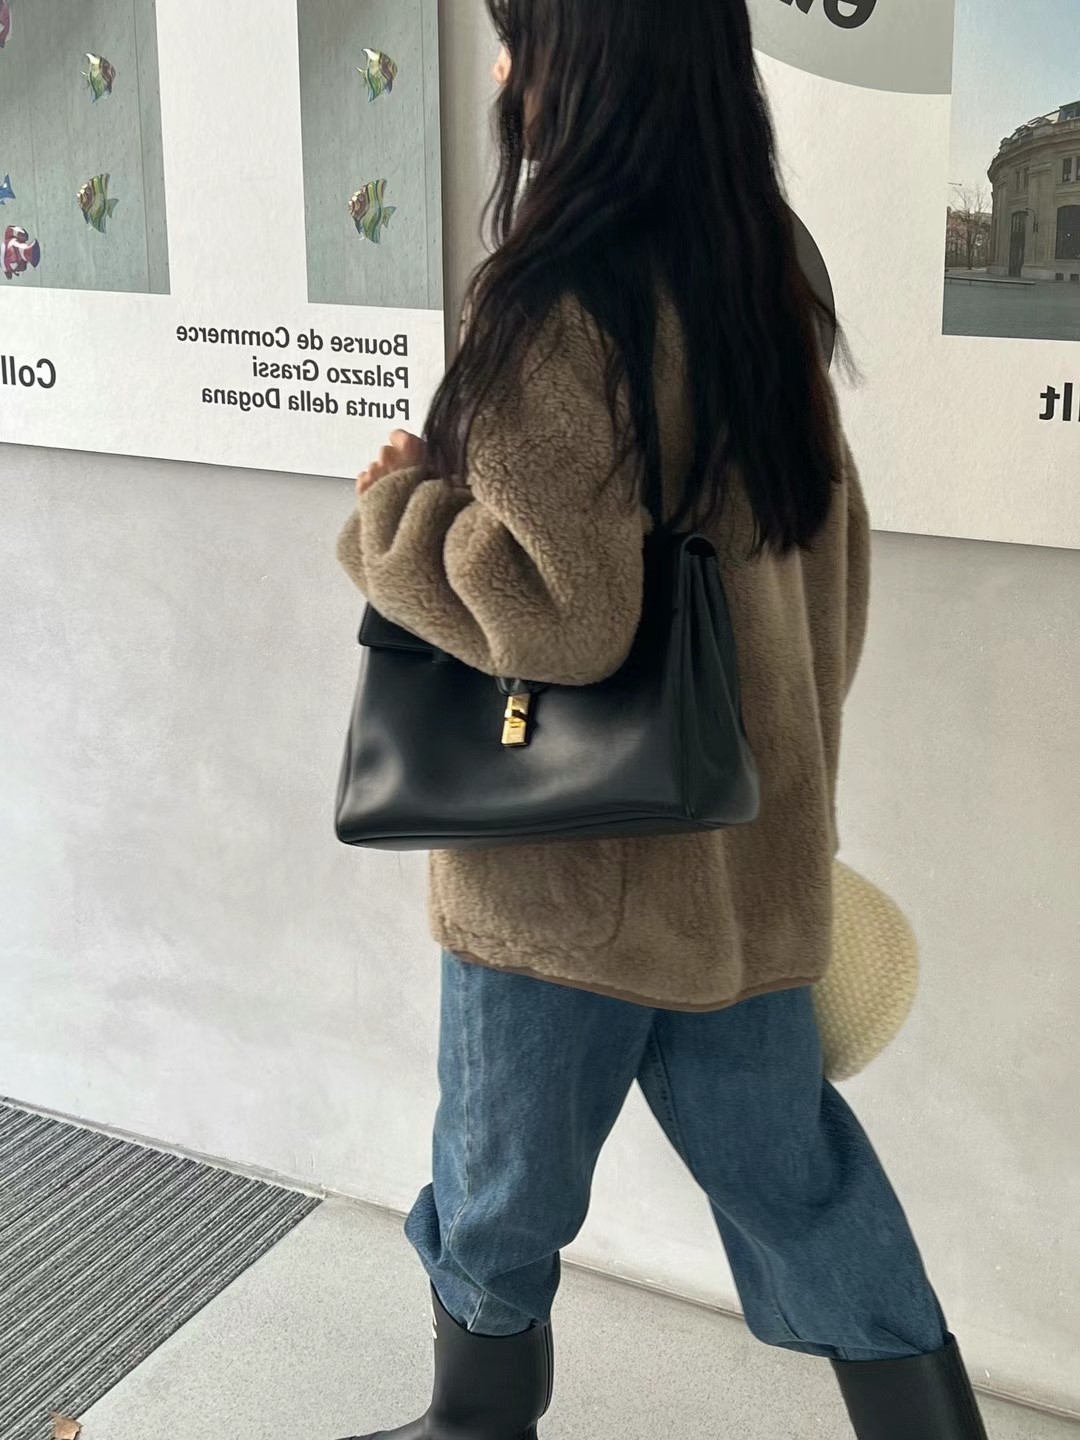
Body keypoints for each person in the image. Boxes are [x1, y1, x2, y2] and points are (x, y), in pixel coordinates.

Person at [336, 2, 989, 1436]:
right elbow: (831, 570)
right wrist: (794, 779)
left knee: (498, 1194)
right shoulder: (769, 270)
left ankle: (472, 1426)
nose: (502, 67)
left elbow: (558, 615)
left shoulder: (553, 299)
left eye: (519, 34)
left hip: (564, 885)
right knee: (798, 1184)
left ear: (585, 61)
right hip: (744, 864)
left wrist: (398, 517)